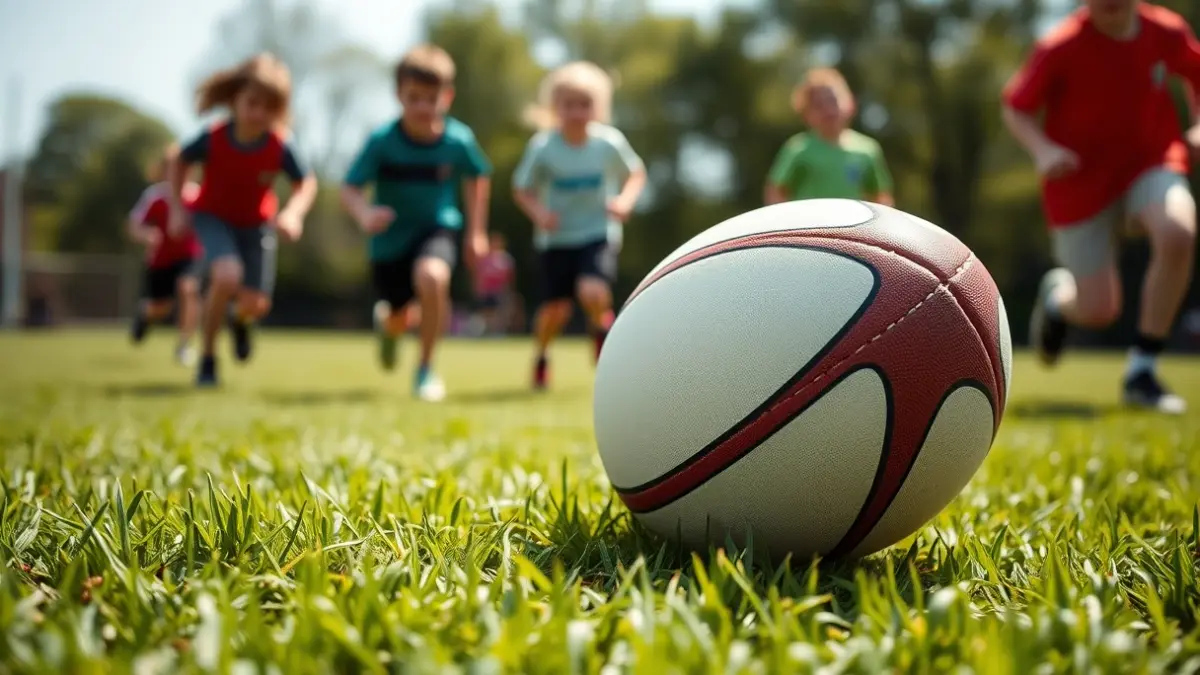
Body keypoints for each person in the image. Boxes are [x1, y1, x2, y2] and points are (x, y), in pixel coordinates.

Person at [1002, 0, 1200, 414]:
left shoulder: (1166, 31)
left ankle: (1141, 373)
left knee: (1178, 232)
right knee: (1099, 310)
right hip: (1078, 183)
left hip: (1151, 163)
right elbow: (1016, 108)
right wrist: (1044, 150)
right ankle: (1059, 300)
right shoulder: (1060, 46)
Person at [341, 44, 492, 402]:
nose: (423, 107)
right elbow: (349, 188)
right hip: (389, 239)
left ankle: (425, 369)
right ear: (398, 95)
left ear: (448, 97)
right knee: (397, 314)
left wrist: (476, 232)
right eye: (414, 98)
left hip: (436, 228)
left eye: (432, 98)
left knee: (433, 277)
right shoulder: (382, 142)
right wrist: (365, 214)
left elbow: (478, 177)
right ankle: (391, 326)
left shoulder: (458, 140)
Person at [167, 53, 317, 387]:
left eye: (270, 107)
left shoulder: (280, 145)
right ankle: (207, 359)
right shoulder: (213, 136)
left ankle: (240, 320)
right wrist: (177, 208)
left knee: (256, 303)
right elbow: (179, 161)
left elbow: (305, 182)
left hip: (256, 224)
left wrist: (293, 212)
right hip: (213, 217)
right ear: (235, 99)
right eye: (253, 104)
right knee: (226, 273)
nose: (260, 114)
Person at [513, 61, 647, 391]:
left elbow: (636, 173)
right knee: (554, 311)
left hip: (596, 233)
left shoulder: (608, 143)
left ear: (598, 107)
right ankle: (542, 355)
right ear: (554, 107)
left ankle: (601, 333)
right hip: (555, 239)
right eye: (568, 104)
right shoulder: (543, 147)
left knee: (593, 290)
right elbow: (521, 189)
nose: (576, 112)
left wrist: (624, 202)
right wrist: (539, 213)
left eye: (584, 104)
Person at [765, 67, 894, 206]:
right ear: (806, 114)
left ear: (850, 103)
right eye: (818, 105)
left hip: (851, 226)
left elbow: (880, 195)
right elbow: (775, 190)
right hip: (810, 226)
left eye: (833, 100)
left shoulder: (868, 150)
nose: (828, 109)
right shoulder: (798, 149)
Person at [128, 148, 202, 366]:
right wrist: (146, 235)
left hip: (190, 256)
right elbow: (133, 225)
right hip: (160, 260)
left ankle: (184, 345)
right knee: (161, 307)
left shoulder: (196, 195)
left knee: (188, 288)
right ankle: (145, 315)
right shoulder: (155, 196)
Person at [473, 232, 516, 335]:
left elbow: (510, 277)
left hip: (499, 291)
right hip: (487, 291)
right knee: (486, 312)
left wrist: (509, 291)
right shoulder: (485, 258)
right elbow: (479, 274)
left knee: (499, 313)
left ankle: (496, 332)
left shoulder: (506, 259)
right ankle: (487, 332)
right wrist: (477, 287)